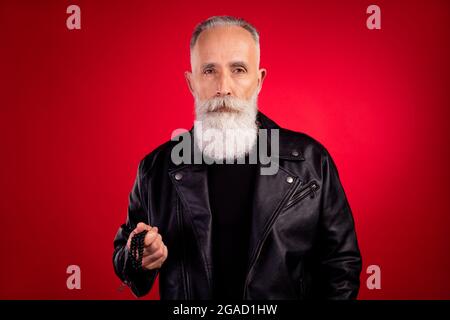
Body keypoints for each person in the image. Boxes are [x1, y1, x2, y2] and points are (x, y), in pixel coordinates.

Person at [113, 15, 362, 300]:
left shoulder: (310, 161)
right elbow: (128, 262)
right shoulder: (155, 170)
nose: (224, 87)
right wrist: (138, 256)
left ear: (259, 80)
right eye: (209, 71)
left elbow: (341, 264)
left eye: (238, 69)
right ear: (191, 83)